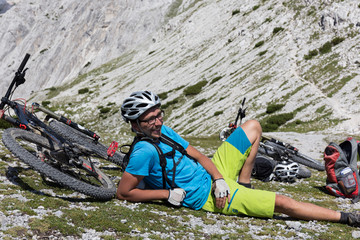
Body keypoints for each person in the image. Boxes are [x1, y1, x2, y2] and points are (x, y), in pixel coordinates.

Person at [116, 90, 360, 227]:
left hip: (214, 178)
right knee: (284, 203)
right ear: (135, 125)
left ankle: (243, 184)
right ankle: (348, 218)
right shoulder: (144, 151)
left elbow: (199, 155)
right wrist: (167, 195)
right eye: (150, 120)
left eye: (159, 115)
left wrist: (219, 178)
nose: (158, 122)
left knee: (252, 126)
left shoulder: (163, 130)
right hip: (206, 197)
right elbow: (124, 193)